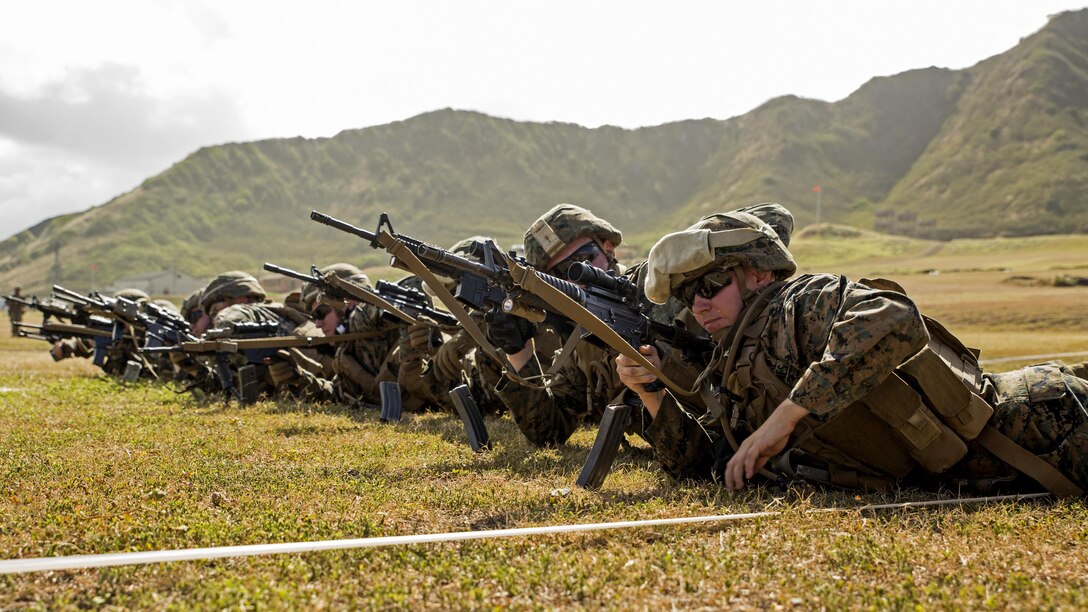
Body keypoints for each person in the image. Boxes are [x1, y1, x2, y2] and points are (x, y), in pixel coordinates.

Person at [616, 205, 1088, 496]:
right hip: (995, 466)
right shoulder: (736, 360)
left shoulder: (795, 304)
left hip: (1043, 429)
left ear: (758, 272)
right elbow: (708, 466)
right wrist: (652, 388)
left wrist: (783, 420)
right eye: (687, 294)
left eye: (711, 284)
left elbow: (892, 315)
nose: (698, 304)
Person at [489, 203, 697, 447]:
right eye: (558, 274)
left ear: (608, 248)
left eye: (582, 260)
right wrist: (519, 353)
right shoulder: (579, 338)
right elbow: (549, 431)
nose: (574, 279)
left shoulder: (659, 292)